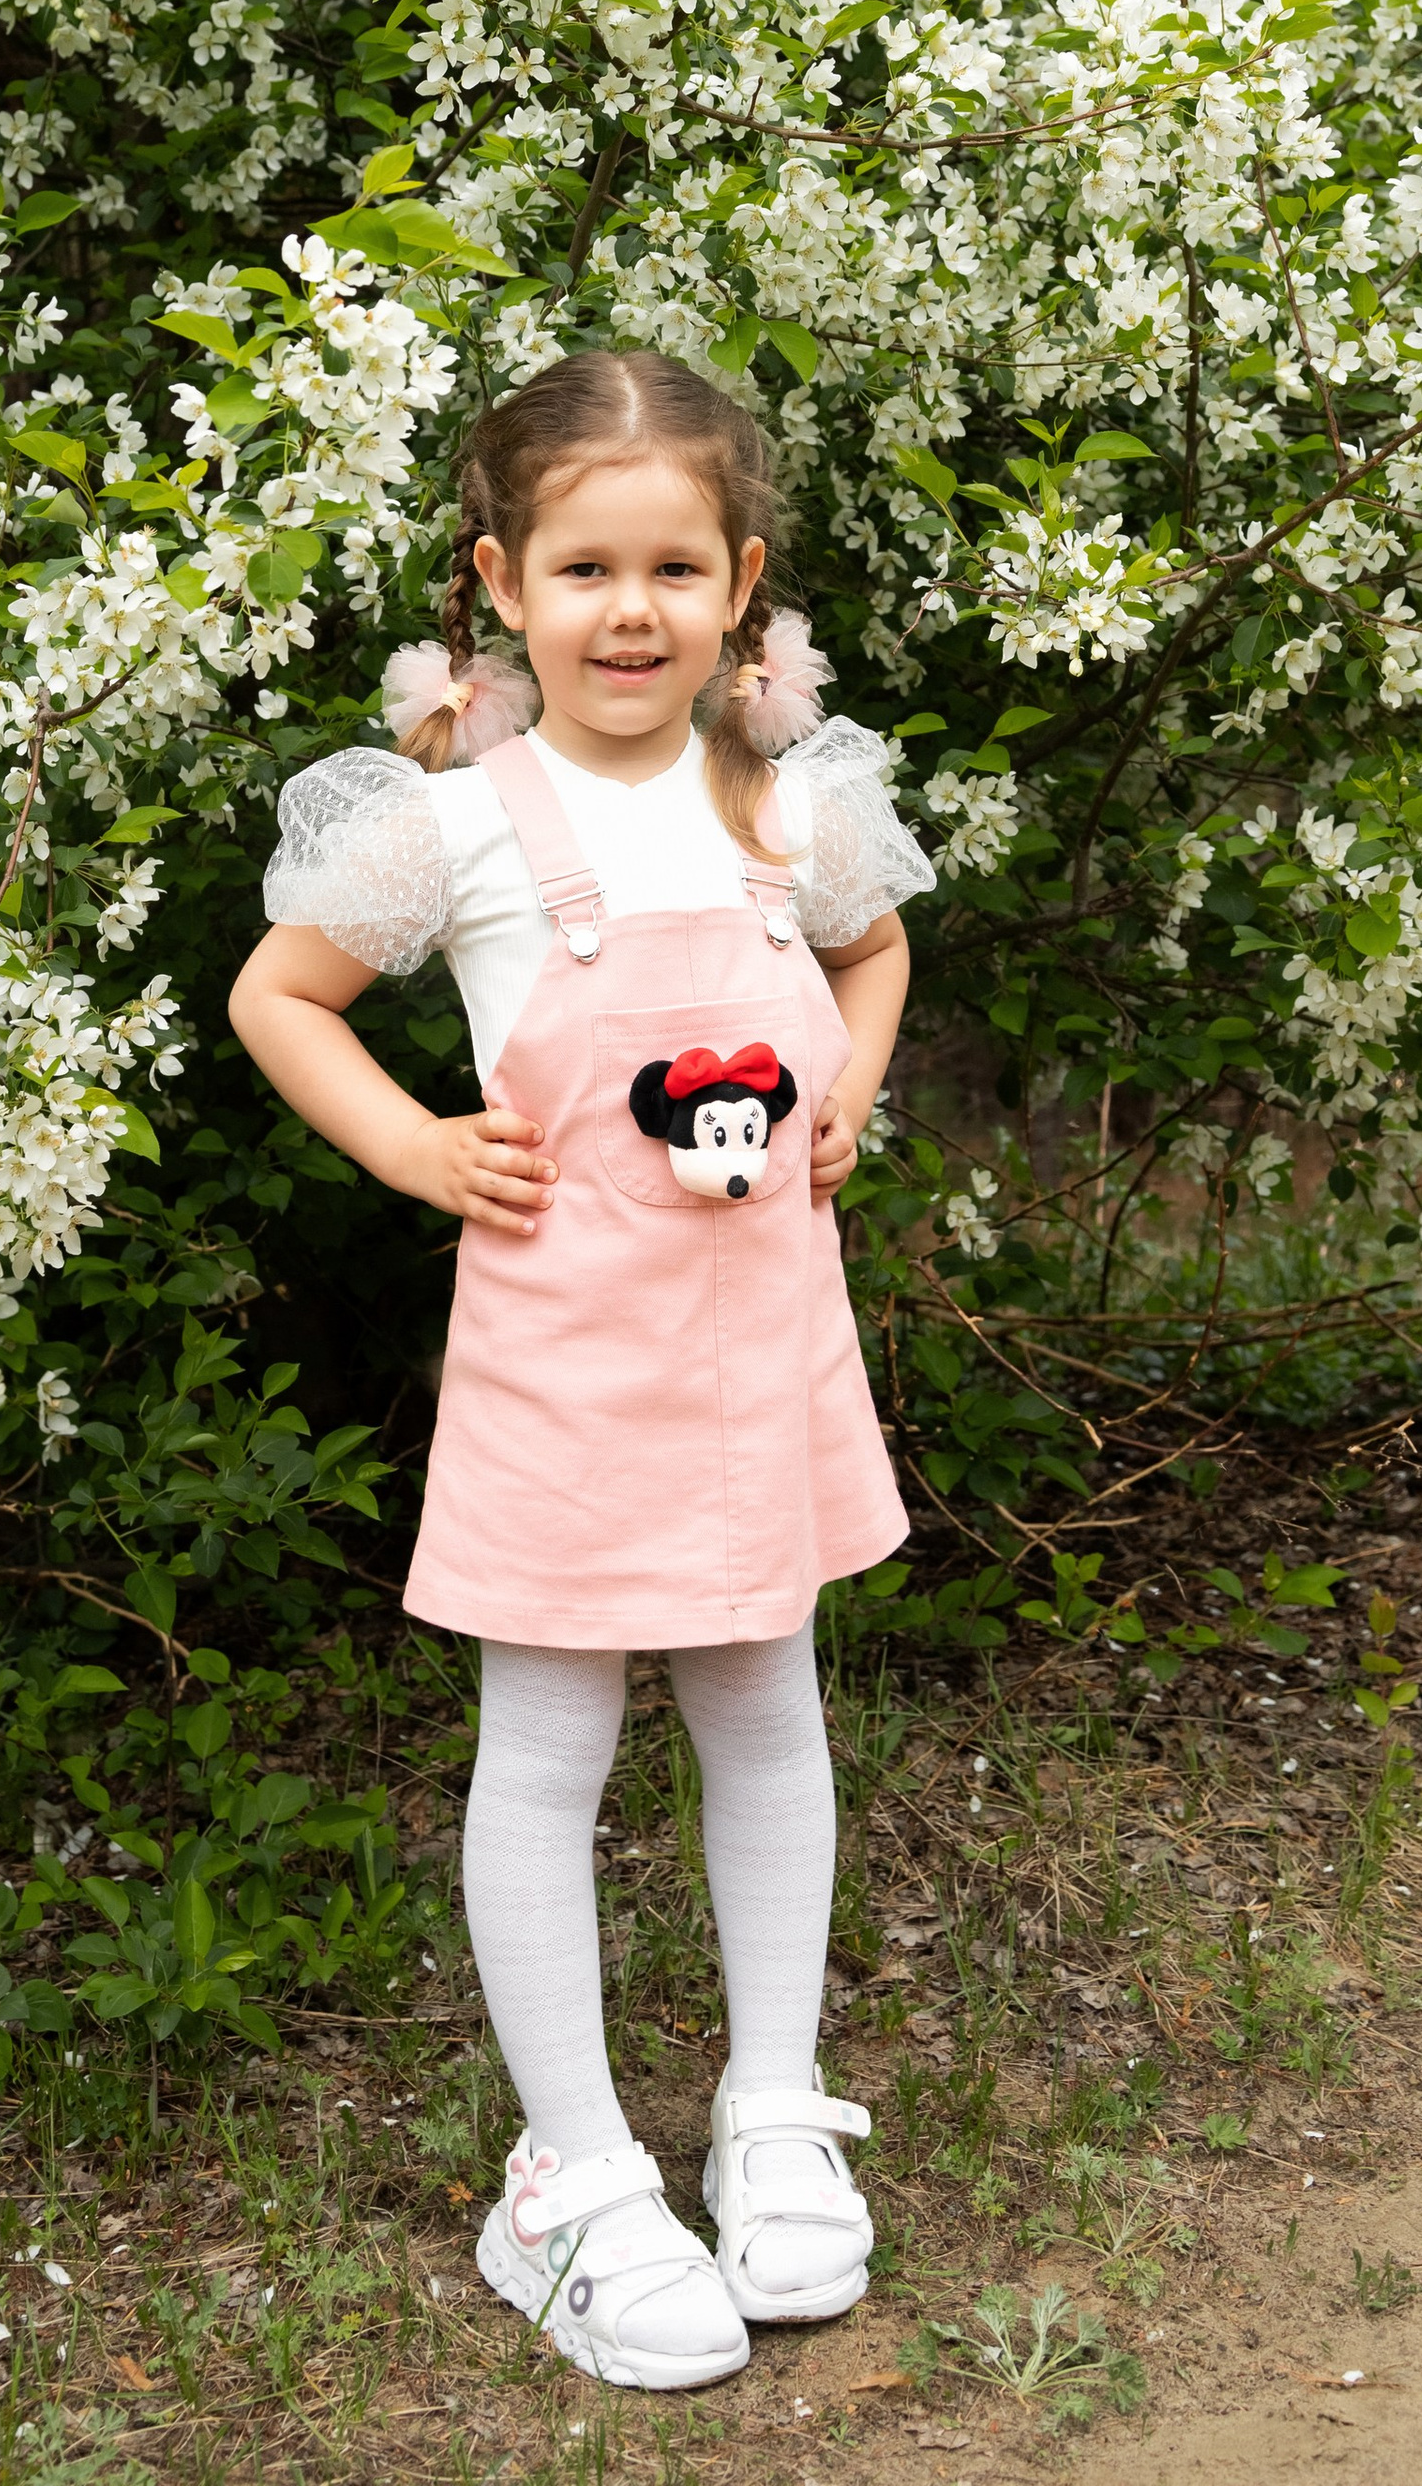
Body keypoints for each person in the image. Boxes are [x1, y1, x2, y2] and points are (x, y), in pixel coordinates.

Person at [229, 348, 933, 2394]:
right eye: (583, 570)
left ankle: (772, 2106)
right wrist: (410, 1146)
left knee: (764, 1705)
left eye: (673, 570)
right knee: (548, 1741)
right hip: (563, 1367)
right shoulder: (456, 827)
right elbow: (280, 997)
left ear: (741, 588)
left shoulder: (789, 808)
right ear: (500, 586)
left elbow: (873, 951)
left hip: (758, 1347)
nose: (630, 611)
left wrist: (848, 1094)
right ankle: (571, 2171)